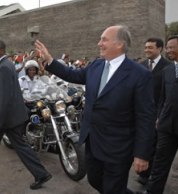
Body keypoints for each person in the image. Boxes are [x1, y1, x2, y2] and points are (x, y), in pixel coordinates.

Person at [35, 25, 155, 194]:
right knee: (94, 179)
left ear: (119, 44)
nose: (99, 43)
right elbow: (72, 75)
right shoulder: (96, 65)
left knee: (113, 188)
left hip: (118, 147)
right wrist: (50, 60)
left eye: (104, 39)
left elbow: (146, 117)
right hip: (92, 140)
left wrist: (142, 154)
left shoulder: (139, 74)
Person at [0, 40, 52, 190]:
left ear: (1, 51)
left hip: (5, 116)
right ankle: (41, 174)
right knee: (19, 146)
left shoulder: (5, 67)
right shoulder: (3, 65)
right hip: (10, 115)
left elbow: (4, 97)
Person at [137, 35, 178, 194]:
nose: (169, 51)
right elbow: (163, 98)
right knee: (160, 162)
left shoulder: (165, 66)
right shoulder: (168, 70)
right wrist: (160, 116)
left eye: (172, 47)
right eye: (168, 47)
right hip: (167, 125)